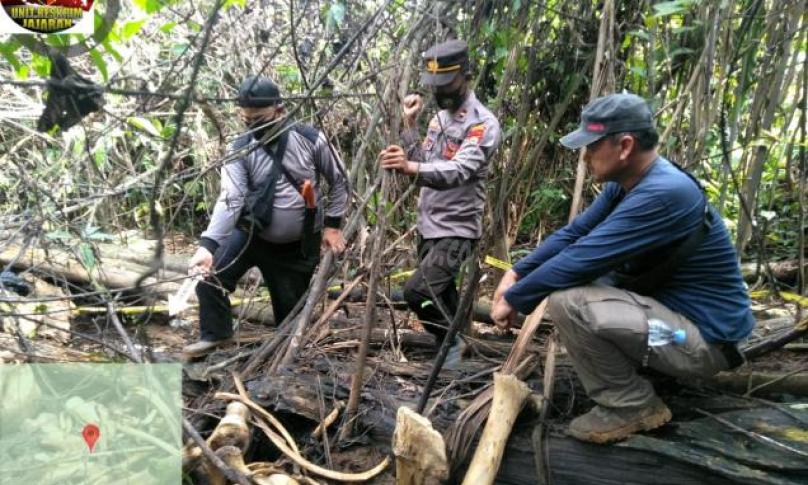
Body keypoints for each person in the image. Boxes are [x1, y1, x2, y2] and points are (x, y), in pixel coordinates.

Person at [490, 92, 754, 443]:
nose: (585, 156)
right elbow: (576, 233)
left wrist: (516, 298)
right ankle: (647, 375)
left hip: (702, 342)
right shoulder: (629, 184)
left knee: (570, 302)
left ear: (625, 145)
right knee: (589, 285)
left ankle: (630, 405)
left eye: (592, 146)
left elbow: (582, 257)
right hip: (675, 327)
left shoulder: (664, 193)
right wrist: (516, 273)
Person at [183, 75, 348, 356]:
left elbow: (340, 180)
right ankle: (216, 335)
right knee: (209, 278)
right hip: (251, 233)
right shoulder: (240, 148)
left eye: (259, 119)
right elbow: (231, 198)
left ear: (279, 110)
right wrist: (208, 246)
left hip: (295, 247)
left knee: (288, 320)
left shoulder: (310, 139)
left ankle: (283, 354)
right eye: (247, 120)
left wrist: (332, 226)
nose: (254, 127)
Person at [380, 39, 501, 367]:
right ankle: (455, 357)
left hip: (457, 230)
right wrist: (410, 128)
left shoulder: (481, 123)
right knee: (442, 297)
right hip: (429, 224)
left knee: (418, 292)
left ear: (465, 75)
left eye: (446, 83)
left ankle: (452, 344)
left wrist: (409, 166)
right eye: (435, 84)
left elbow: (459, 171)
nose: (439, 91)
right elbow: (425, 165)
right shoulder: (439, 119)